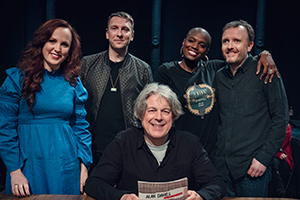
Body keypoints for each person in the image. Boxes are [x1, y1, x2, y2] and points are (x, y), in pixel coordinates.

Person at [84, 82, 226, 200]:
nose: (159, 117)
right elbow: (94, 183)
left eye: (165, 111)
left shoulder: (190, 144)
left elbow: (217, 183)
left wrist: (201, 196)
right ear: (141, 114)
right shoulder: (124, 142)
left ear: (173, 116)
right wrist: (121, 197)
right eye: (152, 110)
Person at [155, 27, 278, 160]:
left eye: (202, 45)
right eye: (191, 41)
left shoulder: (214, 69)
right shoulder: (166, 71)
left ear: (206, 51)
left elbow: (243, 60)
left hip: (211, 152)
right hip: (179, 147)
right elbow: (159, 109)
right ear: (184, 42)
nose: (195, 46)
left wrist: (264, 54)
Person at [0, 19, 92, 196]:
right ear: (42, 42)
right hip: (29, 166)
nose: (57, 48)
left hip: (66, 165)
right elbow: (4, 128)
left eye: (64, 44)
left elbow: (81, 127)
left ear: (70, 51)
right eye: (52, 41)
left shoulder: (73, 83)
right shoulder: (17, 79)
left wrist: (84, 165)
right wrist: (14, 170)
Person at [214, 20, 289, 197]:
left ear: (250, 46)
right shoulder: (219, 76)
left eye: (237, 41)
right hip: (222, 170)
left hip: (252, 170)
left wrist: (264, 158)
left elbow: (281, 118)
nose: (230, 46)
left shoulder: (265, 71)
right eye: (226, 41)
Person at [81, 11, 153, 170]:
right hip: (92, 148)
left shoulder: (143, 70)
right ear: (107, 34)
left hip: (128, 148)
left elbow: (149, 111)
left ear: (132, 35)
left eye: (125, 29)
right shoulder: (87, 64)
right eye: (114, 28)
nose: (119, 34)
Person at [269, 124, 294, 197]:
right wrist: (278, 154)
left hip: (285, 159)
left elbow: (277, 146)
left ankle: (281, 193)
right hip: (272, 156)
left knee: (273, 163)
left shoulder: (286, 127)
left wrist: (277, 154)